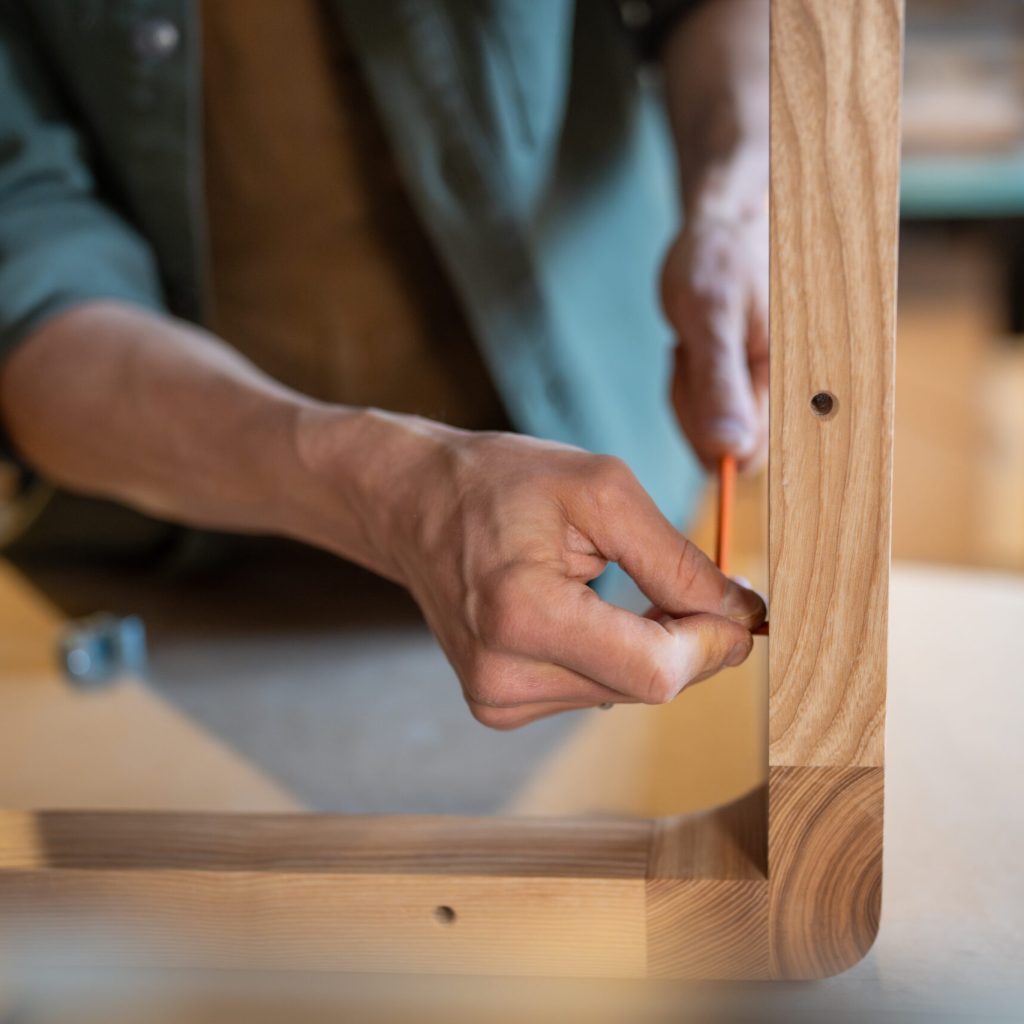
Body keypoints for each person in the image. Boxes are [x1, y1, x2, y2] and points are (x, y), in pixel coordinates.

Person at [0, 0, 767, 729]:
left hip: (610, 496)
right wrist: (397, 492)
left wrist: (736, 203)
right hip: (177, 564)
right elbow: (28, 281)